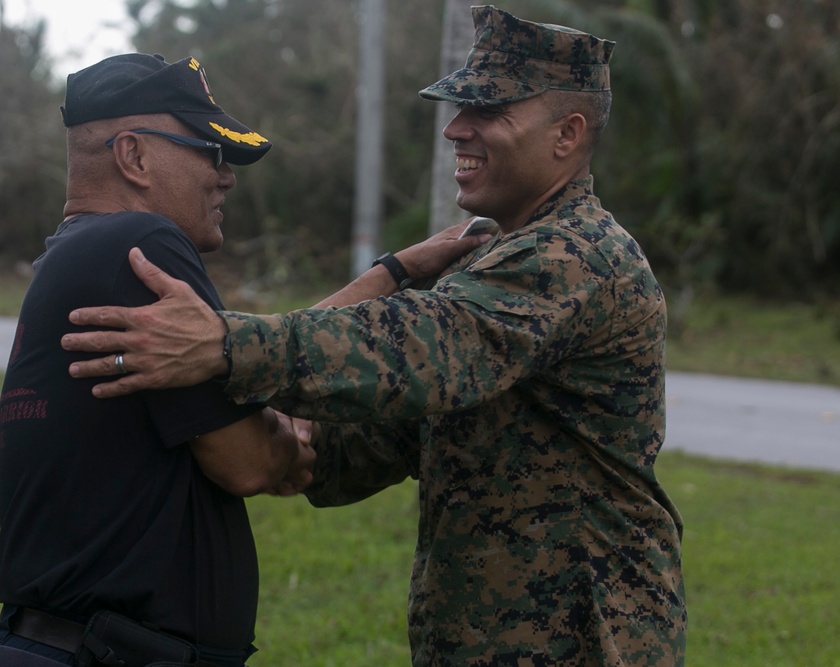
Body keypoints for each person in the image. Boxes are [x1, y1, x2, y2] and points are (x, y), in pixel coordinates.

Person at [60, 6, 687, 666]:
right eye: (459, 107)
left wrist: (222, 343)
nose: (456, 128)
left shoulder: (574, 257)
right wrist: (291, 447)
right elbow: (407, 423)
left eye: (489, 111)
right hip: (490, 635)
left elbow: (423, 351)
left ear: (567, 134)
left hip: (581, 636)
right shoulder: (492, 256)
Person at [0, 53, 486, 667]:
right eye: (208, 150)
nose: (225, 175)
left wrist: (392, 273)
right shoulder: (140, 243)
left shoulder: (74, 258)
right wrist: (287, 442)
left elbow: (241, 353)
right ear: (133, 156)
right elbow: (248, 462)